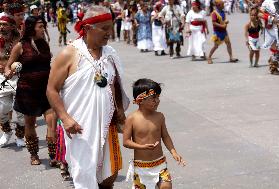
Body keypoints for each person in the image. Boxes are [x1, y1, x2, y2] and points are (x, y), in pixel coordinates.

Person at [46, 5, 129, 189]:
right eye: (104, 28)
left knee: (110, 176)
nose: (110, 33)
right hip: (80, 128)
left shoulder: (110, 54)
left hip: (108, 125)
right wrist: (65, 118)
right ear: (88, 28)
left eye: (111, 27)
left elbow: (114, 84)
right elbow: (51, 89)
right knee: (84, 177)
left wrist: (120, 112)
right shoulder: (69, 53)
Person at [4, 16, 57, 165]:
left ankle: (53, 156)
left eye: (43, 26)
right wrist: (9, 71)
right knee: (29, 123)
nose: (43, 29)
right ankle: (34, 154)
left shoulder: (44, 44)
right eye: (40, 26)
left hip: (46, 90)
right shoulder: (20, 46)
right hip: (27, 91)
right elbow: (9, 66)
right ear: (31, 28)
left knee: (52, 122)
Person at [124, 78, 186, 189]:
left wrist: (174, 152)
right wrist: (141, 147)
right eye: (153, 98)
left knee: (166, 187)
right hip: (141, 167)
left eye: (158, 97)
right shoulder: (132, 119)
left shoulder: (160, 116)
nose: (157, 101)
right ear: (140, 100)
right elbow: (126, 142)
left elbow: (165, 136)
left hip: (160, 164)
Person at [0, 12, 25, 147]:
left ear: (11, 26)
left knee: (20, 111)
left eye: (4, 25)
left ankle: (20, 136)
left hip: (19, 78)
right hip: (2, 78)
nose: (1, 27)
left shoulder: (20, 40)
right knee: (1, 108)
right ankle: (7, 132)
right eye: (0, 25)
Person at [258, 0, 279, 75]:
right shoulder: (267, 2)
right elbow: (259, 14)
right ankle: (273, 67)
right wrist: (272, 19)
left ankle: (272, 60)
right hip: (272, 29)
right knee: (276, 48)